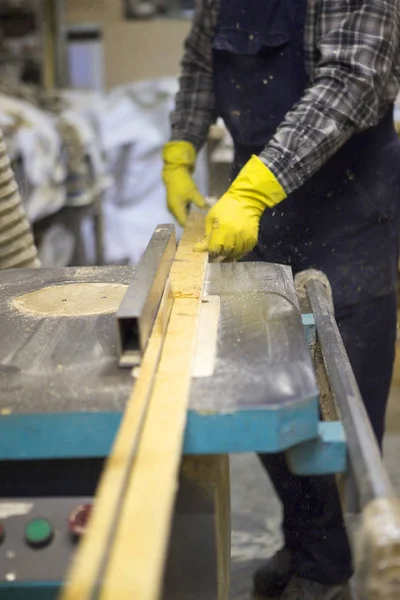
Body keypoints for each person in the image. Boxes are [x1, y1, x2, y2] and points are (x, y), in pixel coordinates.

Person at [162, 1, 400, 598]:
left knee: (337, 410)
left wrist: (254, 188)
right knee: (269, 392)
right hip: (264, 210)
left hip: (349, 208)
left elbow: (355, 80)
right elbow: (200, 63)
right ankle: (306, 542)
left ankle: (331, 567)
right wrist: (180, 148)